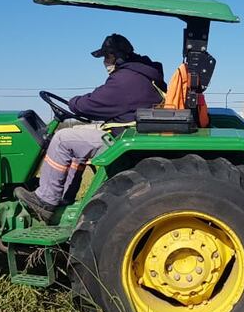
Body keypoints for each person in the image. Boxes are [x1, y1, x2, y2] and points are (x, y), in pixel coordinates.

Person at [16, 34, 165, 222]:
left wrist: (73, 102)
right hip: (128, 131)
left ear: (116, 56)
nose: (104, 62)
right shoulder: (143, 75)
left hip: (121, 138)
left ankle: (45, 200)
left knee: (62, 139)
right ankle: (64, 198)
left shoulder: (124, 80)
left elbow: (90, 104)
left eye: (106, 57)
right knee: (76, 145)